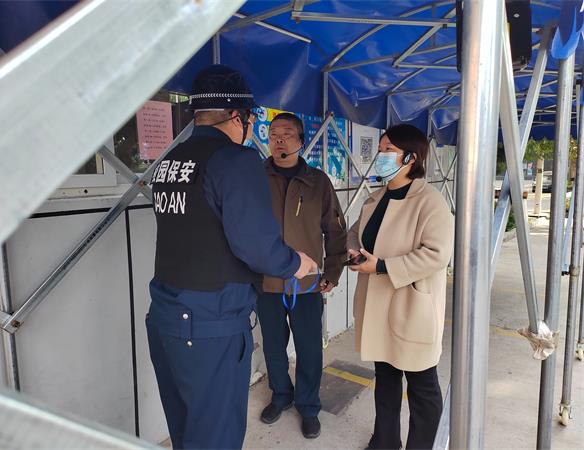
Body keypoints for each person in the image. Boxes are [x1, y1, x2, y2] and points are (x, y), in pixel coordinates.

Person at [146, 64, 318, 450]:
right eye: (252, 119)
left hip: (166, 317)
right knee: (216, 437)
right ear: (238, 116)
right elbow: (256, 245)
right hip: (211, 324)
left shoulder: (171, 161)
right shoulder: (235, 160)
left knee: (187, 433)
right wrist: (296, 263)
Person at [347, 124, 454, 450]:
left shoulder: (430, 202)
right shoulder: (376, 198)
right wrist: (353, 250)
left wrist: (382, 266)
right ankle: (385, 441)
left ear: (411, 157)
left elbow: (437, 254)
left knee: (422, 387)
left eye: (388, 150)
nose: (380, 156)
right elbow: (355, 233)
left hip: (411, 308)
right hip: (377, 307)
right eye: (380, 149)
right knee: (386, 380)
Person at [257, 113, 347, 439]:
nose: (278, 139)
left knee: (309, 350)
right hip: (266, 282)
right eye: (273, 134)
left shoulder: (318, 182)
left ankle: (308, 406)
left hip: (306, 284)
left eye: (286, 133)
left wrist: (332, 272)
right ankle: (281, 395)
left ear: (300, 140)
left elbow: (335, 230)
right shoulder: (256, 177)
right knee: (273, 347)